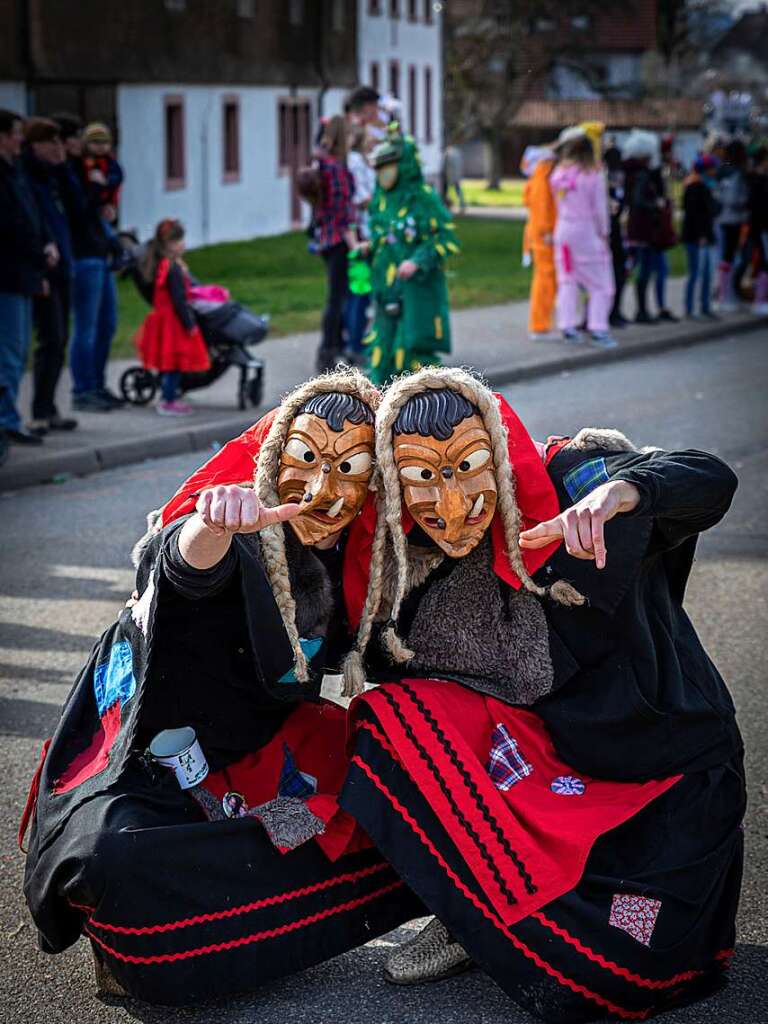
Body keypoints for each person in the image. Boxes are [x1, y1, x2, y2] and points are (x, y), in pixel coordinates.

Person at [338, 365, 743, 1023]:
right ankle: (469, 901)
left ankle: (495, 910)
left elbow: (709, 479)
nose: (451, 504)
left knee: (619, 970)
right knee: (392, 720)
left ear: (498, 453)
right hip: (539, 781)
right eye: (422, 479)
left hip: (660, 779)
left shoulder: (571, 479)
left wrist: (626, 492)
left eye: (468, 466)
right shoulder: (395, 559)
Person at [21, 370, 422, 1005]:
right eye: (307, 460)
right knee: (112, 857)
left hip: (263, 749)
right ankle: (141, 939)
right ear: (272, 458)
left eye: (350, 469)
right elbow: (182, 566)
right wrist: (213, 523)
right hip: (146, 760)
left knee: (418, 788)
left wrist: (619, 487)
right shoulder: (235, 525)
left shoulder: (366, 558)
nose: (323, 490)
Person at [364, 126, 459, 384]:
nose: (383, 173)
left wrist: (417, 261)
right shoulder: (380, 200)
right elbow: (382, 238)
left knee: (414, 354)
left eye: (388, 165)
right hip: (387, 289)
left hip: (417, 291)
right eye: (379, 168)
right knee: (382, 350)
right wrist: (368, 249)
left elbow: (444, 238)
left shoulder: (423, 199)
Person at [55, 115, 122, 412]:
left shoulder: (92, 168)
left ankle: (97, 384)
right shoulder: (69, 171)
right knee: (87, 327)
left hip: (100, 253)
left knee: (107, 325)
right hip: (83, 255)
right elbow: (78, 210)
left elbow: (102, 199)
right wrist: (96, 191)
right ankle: (82, 390)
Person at [0, 109, 55, 447]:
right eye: (15, 132)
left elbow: (31, 218)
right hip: (8, 276)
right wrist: (39, 255)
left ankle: (9, 419)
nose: (20, 139)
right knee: (10, 352)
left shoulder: (13, 172)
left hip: (22, 274)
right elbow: (12, 227)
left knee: (16, 353)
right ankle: (7, 421)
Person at [22, 118, 79, 435]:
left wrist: (63, 169)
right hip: (45, 269)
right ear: (36, 145)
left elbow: (76, 208)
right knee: (50, 339)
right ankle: (39, 410)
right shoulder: (27, 177)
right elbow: (34, 224)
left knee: (60, 341)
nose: (59, 148)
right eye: (51, 142)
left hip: (64, 266)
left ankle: (50, 407)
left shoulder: (56, 176)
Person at [135, 219, 210, 416]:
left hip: (163, 319)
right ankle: (167, 400)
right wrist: (189, 324)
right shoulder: (173, 269)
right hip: (173, 323)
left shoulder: (164, 265)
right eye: (178, 241)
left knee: (168, 362)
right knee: (173, 363)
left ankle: (169, 395)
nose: (182, 245)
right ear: (168, 244)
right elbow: (179, 300)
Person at [549, 134, 617, 348]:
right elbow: (599, 208)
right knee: (601, 284)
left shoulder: (558, 174)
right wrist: (604, 232)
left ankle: (567, 325)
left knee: (567, 280)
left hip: (564, 232)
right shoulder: (593, 174)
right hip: (586, 233)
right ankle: (598, 329)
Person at [312, 115, 358, 373]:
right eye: (350, 134)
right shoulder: (337, 169)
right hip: (339, 240)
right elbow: (342, 211)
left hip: (326, 239)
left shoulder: (323, 165)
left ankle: (334, 348)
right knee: (337, 299)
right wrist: (352, 241)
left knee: (338, 296)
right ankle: (328, 353)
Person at [622, 129, 678, 324]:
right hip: (643, 230)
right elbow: (638, 200)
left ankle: (642, 309)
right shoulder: (642, 175)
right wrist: (656, 204)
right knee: (642, 270)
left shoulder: (636, 173)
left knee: (642, 269)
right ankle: (641, 310)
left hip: (640, 228)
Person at [344, 126, 376, 362]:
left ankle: (358, 341)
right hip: (361, 237)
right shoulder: (354, 163)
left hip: (366, 232)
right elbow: (360, 199)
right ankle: (355, 344)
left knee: (363, 293)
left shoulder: (363, 161)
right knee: (360, 291)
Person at [521, 144, 557, 340]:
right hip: (544, 237)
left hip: (539, 234)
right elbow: (542, 206)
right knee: (545, 279)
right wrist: (547, 231)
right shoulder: (543, 175)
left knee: (546, 279)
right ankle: (540, 325)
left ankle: (542, 323)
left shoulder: (538, 176)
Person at [681, 154, 720, 320]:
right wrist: (701, 235)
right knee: (695, 273)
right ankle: (690, 309)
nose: (714, 171)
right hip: (696, 238)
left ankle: (705, 306)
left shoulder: (704, 186)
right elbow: (695, 214)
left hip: (704, 236)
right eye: (712, 168)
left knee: (707, 273)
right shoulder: (695, 186)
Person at [714, 140, 749, 312]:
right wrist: (745, 202)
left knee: (725, 258)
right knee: (730, 258)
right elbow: (733, 199)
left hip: (721, 219)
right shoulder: (736, 173)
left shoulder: (721, 170)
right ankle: (725, 295)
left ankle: (724, 293)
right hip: (732, 219)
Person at [602, 143, 629, 328]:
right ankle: (607, 313)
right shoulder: (601, 182)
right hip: (607, 236)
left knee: (620, 275)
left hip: (618, 235)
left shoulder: (621, 182)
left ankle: (615, 311)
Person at [80, 122, 123, 229]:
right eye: (95, 142)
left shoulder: (110, 162)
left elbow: (118, 176)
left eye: (104, 142)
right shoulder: (82, 161)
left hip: (108, 201)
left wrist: (106, 180)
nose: (100, 146)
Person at [746, 145, 768, 315]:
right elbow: (757, 207)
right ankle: (760, 300)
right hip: (761, 228)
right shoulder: (757, 180)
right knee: (763, 263)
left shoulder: (760, 179)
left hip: (761, 227)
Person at [441, 144, 466, 214]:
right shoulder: (457, 152)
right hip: (457, 175)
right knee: (458, 191)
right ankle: (462, 205)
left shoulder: (447, 153)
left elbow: (445, 165)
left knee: (447, 192)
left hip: (449, 176)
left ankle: (446, 206)